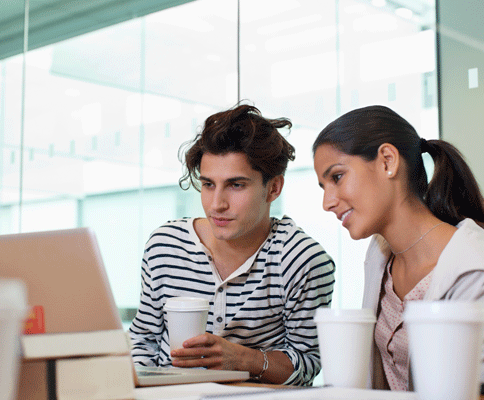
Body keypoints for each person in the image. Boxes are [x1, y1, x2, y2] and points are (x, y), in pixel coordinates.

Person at [129, 104, 335, 386]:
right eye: (208, 184)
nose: (217, 205)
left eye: (236, 185)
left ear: (273, 188)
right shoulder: (164, 245)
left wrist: (243, 360)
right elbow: (143, 340)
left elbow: (307, 364)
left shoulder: (301, 259)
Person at [312, 104, 484, 391]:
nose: (327, 202)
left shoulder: (474, 269)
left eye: (337, 177)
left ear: (387, 161)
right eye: (323, 186)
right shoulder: (379, 255)